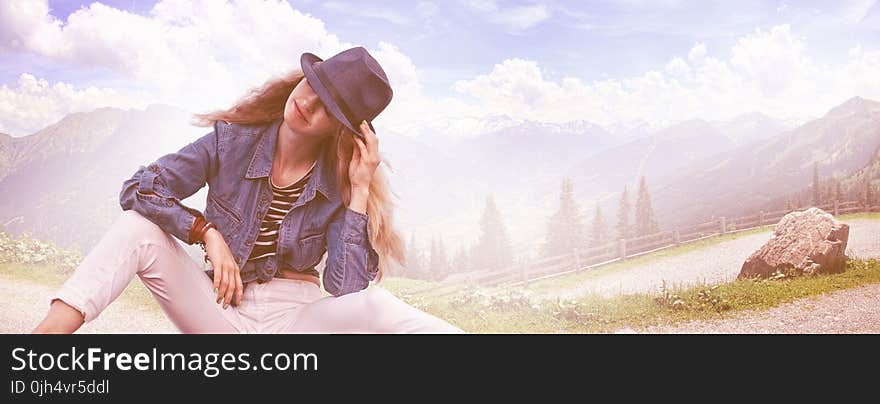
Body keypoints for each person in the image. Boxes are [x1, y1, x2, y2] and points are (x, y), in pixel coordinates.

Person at [32, 47, 465, 334]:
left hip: (296, 320)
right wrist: (206, 231)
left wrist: (358, 189)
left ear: (341, 128)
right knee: (134, 229)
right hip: (222, 310)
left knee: (379, 307)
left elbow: (348, 292)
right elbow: (140, 189)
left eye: (327, 107)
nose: (308, 103)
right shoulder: (230, 141)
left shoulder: (339, 183)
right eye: (311, 85)